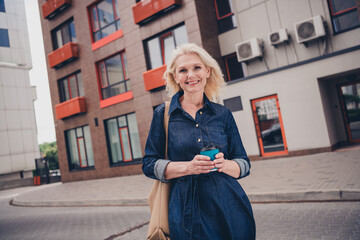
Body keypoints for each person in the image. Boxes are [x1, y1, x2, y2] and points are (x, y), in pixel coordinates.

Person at [142, 43, 256, 240]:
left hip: (228, 207)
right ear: (175, 77)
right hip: (184, 210)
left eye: (196, 67)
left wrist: (225, 164)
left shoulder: (223, 114)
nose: (190, 75)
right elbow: (149, 164)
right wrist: (188, 167)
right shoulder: (163, 114)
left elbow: (244, 164)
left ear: (207, 71)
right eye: (183, 70)